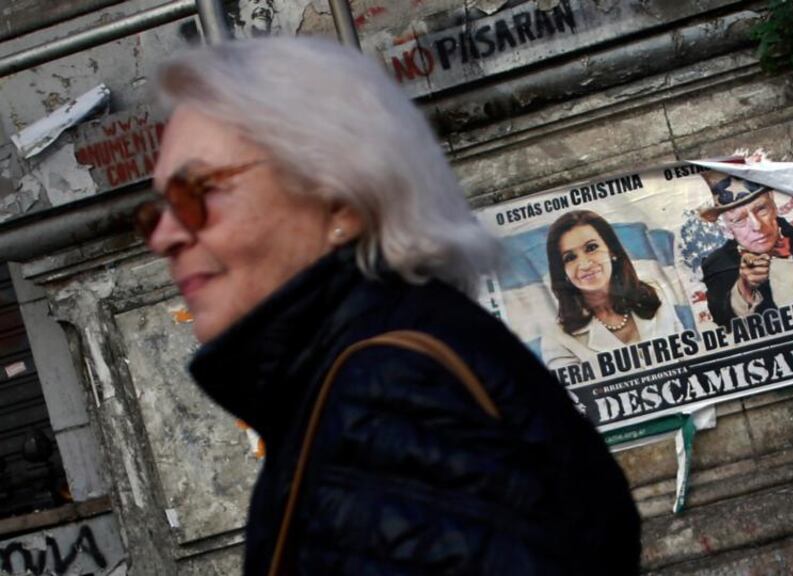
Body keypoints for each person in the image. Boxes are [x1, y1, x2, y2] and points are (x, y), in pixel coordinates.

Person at [140, 38, 640, 575]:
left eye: (197, 193)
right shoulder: (365, 376)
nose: (163, 237)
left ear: (340, 200)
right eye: (155, 211)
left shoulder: (385, 393)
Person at [698, 170, 793, 327]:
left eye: (761, 209)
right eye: (739, 220)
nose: (757, 226)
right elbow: (722, 318)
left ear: (773, 204)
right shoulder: (716, 265)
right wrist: (744, 287)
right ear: (726, 229)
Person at [541, 210, 683, 370]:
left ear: (612, 251)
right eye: (570, 258)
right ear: (562, 271)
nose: (585, 265)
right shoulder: (557, 339)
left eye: (591, 248)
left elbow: (688, 360)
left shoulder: (653, 294)